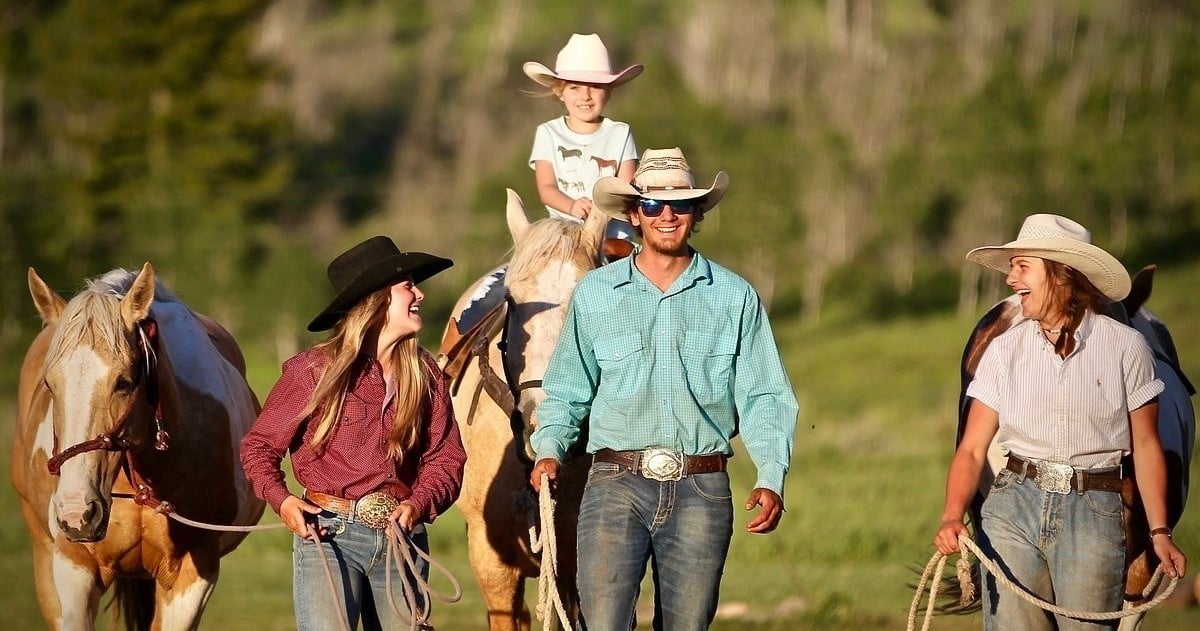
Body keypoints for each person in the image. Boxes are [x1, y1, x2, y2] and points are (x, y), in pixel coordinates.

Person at [528, 147, 800, 630]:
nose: (666, 215)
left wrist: (770, 474)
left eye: (681, 204)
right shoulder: (595, 294)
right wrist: (549, 448)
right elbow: (569, 388)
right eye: (652, 205)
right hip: (614, 483)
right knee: (604, 623)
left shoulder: (735, 296)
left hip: (702, 486)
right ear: (634, 215)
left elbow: (765, 395)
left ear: (697, 215)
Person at [933, 214, 1187, 630]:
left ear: (1063, 274)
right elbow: (973, 448)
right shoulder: (1004, 351)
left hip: (1094, 507)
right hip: (1014, 502)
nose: (1010, 280)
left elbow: (1145, 445)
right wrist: (952, 513)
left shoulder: (1126, 348)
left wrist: (1159, 531)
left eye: (1022, 266)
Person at [241, 236, 467, 631]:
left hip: (401, 538)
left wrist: (418, 503)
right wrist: (283, 501)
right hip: (328, 536)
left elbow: (446, 458)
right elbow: (258, 447)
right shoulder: (311, 372)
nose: (421, 294)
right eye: (408, 286)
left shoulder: (426, 375)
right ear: (378, 299)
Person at [524, 32, 642, 240]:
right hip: (563, 235)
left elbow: (626, 189)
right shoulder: (548, 133)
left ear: (609, 91)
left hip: (613, 237)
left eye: (595, 87)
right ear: (560, 92)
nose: (585, 96)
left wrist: (600, 214)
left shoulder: (621, 133)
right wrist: (571, 206)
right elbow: (547, 188)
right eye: (574, 87)